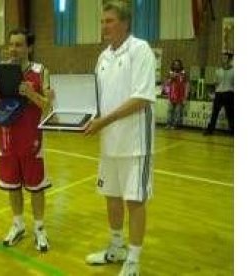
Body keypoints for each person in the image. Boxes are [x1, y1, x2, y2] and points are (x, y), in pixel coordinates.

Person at [84, 1, 156, 275]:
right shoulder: (103, 57)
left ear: (125, 23)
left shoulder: (140, 50)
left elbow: (141, 98)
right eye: (102, 22)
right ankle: (116, 248)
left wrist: (104, 120)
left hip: (135, 144)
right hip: (108, 143)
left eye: (110, 21)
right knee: (111, 196)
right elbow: (97, 99)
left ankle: (134, 261)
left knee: (134, 201)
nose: (104, 27)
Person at [0, 29, 52, 252]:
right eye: (11, 44)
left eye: (19, 45)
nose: (14, 49)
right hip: (6, 138)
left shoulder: (41, 71)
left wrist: (31, 94)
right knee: (12, 185)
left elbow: (49, 106)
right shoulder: (0, 71)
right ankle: (18, 224)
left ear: (28, 48)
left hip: (32, 138)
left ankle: (40, 229)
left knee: (36, 187)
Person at [204, 52, 234, 135]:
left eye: (226, 58)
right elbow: (215, 83)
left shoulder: (234, 71)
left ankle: (233, 130)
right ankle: (210, 130)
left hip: (229, 93)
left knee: (230, 113)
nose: (224, 59)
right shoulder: (218, 71)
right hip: (219, 94)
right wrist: (212, 92)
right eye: (223, 58)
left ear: (231, 59)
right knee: (214, 113)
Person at [163, 59, 189, 129]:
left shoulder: (183, 74)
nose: (176, 66)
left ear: (180, 65)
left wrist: (185, 96)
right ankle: (168, 124)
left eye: (178, 64)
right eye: (175, 64)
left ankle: (176, 125)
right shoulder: (170, 73)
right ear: (173, 65)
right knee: (170, 110)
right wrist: (171, 79)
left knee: (178, 111)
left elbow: (187, 85)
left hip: (180, 96)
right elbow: (166, 84)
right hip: (171, 96)